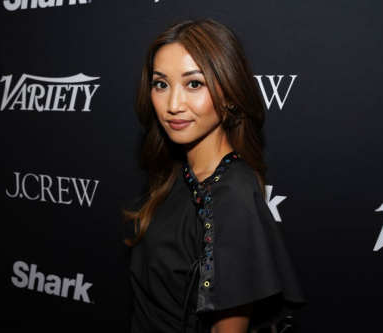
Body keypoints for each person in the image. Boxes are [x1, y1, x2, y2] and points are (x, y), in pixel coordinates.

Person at [125, 19, 306, 333]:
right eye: (161, 84)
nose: (173, 105)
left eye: (194, 84)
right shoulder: (177, 173)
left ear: (231, 93)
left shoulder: (230, 197)